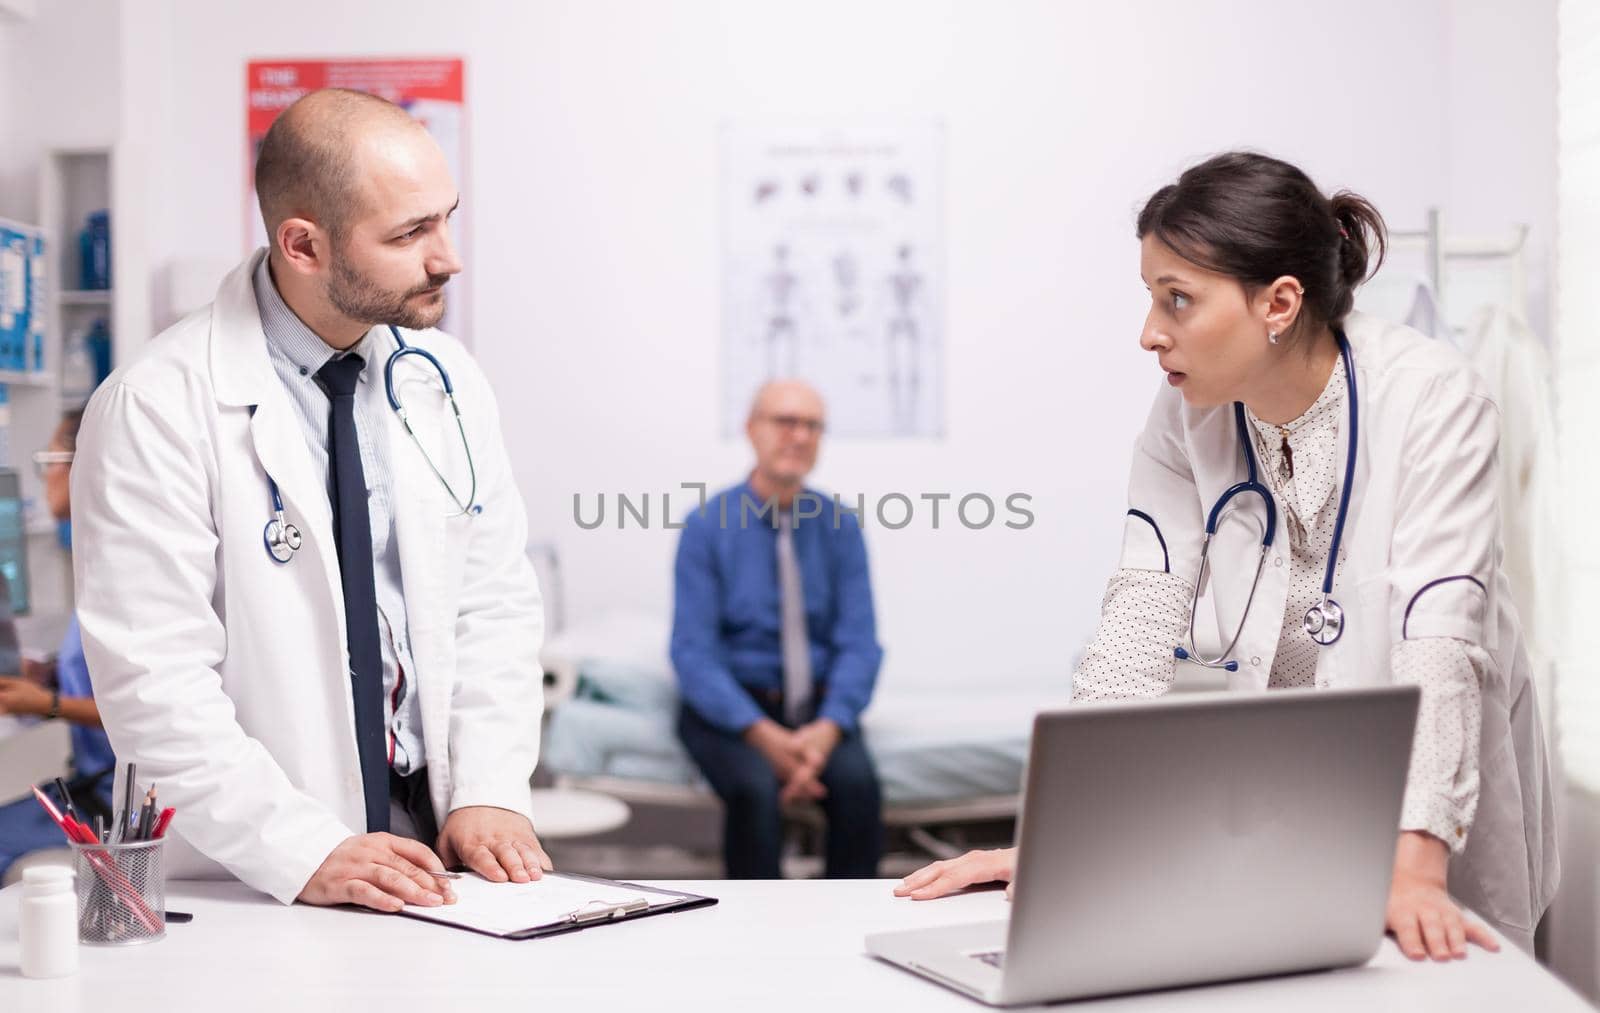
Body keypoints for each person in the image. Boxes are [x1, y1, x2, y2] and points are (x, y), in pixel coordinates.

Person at [895, 152, 1558, 961]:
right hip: (1295, 783)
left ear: (1279, 302)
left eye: (1177, 299)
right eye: (1150, 297)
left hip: (1431, 791)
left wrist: (1416, 858)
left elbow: (1440, 633)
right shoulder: (1184, 415)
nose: (1149, 333)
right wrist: (1068, 842)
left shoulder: (1431, 397)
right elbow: (1138, 617)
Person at [71, 88, 549, 911]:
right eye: (411, 233)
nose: (448, 256)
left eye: (446, 218)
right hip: (265, 869)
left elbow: (495, 600)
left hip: (442, 850)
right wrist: (304, 850)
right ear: (304, 244)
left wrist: (490, 785)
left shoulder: (446, 382)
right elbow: (156, 683)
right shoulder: (154, 405)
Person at [671, 380, 884, 879]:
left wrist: (827, 732)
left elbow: (860, 643)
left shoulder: (841, 527)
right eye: (785, 421)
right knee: (754, 789)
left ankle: (851, 929)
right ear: (751, 429)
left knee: (859, 788)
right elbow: (693, 654)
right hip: (734, 711)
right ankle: (755, 938)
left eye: (812, 425)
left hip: (817, 710)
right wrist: (766, 738)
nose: (799, 435)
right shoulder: (706, 526)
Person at [0, 411, 116, 881]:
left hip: (113, 801)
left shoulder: (118, 568)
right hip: (88, 785)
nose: (45, 475)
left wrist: (48, 703)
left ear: (81, 462)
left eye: (49, 460)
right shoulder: (93, 558)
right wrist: (44, 674)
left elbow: (144, 706)